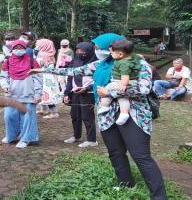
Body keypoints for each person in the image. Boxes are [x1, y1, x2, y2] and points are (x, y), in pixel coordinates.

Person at [30, 33, 168, 199]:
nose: (97, 50)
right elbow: (74, 71)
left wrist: (111, 91)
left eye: (98, 47)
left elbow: (144, 89)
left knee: (141, 156)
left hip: (133, 114)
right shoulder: (101, 64)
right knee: (116, 152)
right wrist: (42, 69)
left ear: (113, 48)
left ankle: (159, 196)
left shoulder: (139, 65)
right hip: (107, 114)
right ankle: (125, 183)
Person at [0, 40, 42, 149]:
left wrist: (38, 94)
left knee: (27, 118)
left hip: (28, 94)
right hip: (11, 95)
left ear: (25, 48)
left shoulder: (32, 61)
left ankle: (26, 139)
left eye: (21, 48)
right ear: (12, 49)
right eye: (16, 48)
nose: (18, 50)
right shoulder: (7, 62)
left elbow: (38, 78)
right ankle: (11, 136)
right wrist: (4, 86)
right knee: (9, 116)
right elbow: (3, 77)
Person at [62, 42, 98, 148]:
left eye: (82, 51)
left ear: (89, 51)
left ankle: (92, 140)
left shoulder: (95, 64)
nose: (79, 53)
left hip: (88, 93)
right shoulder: (75, 61)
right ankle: (76, 136)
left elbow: (98, 81)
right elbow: (70, 77)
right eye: (77, 51)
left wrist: (87, 88)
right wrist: (67, 93)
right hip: (75, 91)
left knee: (87, 116)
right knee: (75, 115)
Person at [99, 39, 142, 125]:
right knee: (122, 97)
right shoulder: (132, 58)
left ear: (120, 54)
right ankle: (124, 113)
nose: (110, 54)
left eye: (112, 53)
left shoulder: (123, 63)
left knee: (107, 90)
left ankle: (105, 106)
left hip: (120, 82)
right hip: (129, 82)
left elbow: (125, 75)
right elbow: (139, 56)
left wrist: (123, 84)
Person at [35, 39, 60, 119]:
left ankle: (54, 112)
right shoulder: (50, 53)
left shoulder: (43, 54)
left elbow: (39, 65)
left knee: (47, 94)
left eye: (38, 44)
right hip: (48, 77)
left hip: (44, 77)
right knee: (45, 93)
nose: (37, 46)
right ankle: (44, 109)